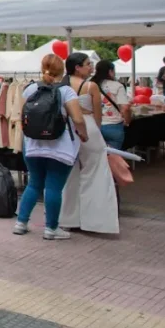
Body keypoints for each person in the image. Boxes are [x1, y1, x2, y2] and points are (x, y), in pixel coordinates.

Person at [13, 54, 88, 241]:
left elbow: (22, 116)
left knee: (33, 184)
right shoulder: (66, 91)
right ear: (62, 70)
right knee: (54, 187)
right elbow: (78, 118)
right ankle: (51, 228)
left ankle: (21, 223)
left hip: (33, 145)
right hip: (59, 146)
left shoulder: (30, 89)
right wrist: (83, 134)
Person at [59, 53, 119, 234]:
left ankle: (68, 218)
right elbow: (97, 115)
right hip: (88, 127)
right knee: (96, 173)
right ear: (77, 67)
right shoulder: (90, 86)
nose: (91, 67)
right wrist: (96, 132)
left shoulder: (62, 85)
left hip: (67, 130)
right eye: (88, 64)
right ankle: (95, 220)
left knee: (69, 175)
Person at [92, 60, 129, 150]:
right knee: (114, 156)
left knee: (97, 156)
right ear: (110, 71)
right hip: (114, 126)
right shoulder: (117, 86)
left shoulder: (90, 85)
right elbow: (125, 108)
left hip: (94, 125)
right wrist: (127, 120)